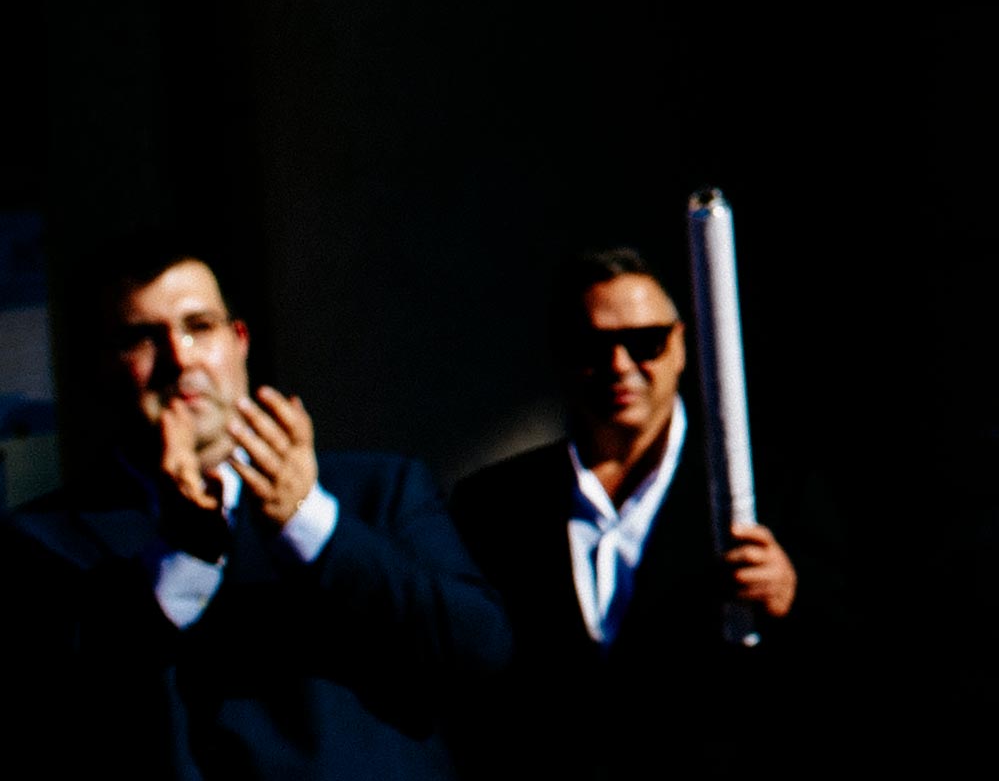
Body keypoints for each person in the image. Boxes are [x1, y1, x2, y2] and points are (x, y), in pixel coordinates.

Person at [0, 243, 511, 775]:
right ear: (98, 368)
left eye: (200, 326)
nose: (181, 358)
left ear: (239, 341)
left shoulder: (378, 489)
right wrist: (179, 563)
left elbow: (481, 649)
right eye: (142, 339)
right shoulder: (42, 539)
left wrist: (314, 524)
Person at [448, 248, 800, 777]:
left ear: (679, 345)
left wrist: (791, 601)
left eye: (644, 342)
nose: (619, 365)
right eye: (592, 345)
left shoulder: (769, 491)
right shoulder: (493, 504)